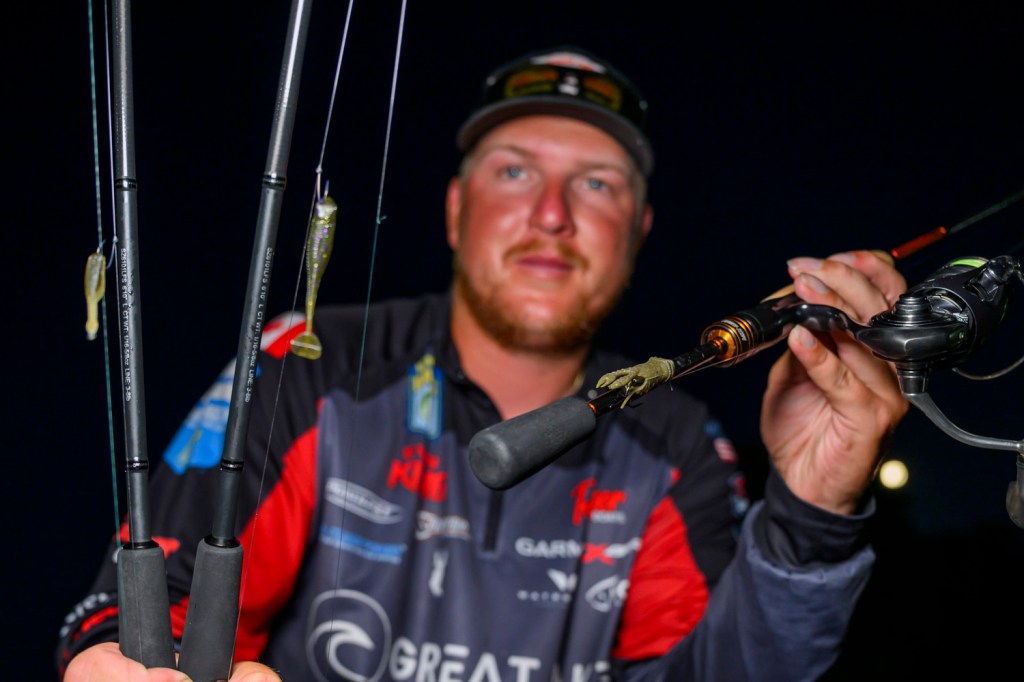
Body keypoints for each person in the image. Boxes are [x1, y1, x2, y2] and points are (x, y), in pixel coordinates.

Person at [57, 46, 909, 681]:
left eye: (598, 184)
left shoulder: (679, 439)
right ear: (456, 209)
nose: (551, 214)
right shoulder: (309, 361)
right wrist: (120, 657)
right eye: (514, 172)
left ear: (639, 233)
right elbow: (158, 601)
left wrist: (811, 514)